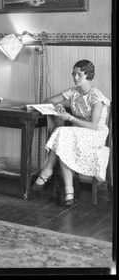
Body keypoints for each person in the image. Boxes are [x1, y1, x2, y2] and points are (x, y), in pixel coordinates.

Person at [31, 59, 110, 206]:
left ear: (89, 75)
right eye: (74, 74)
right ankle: (68, 192)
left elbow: (93, 126)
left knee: (62, 133)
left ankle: (47, 173)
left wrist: (70, 117)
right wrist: (59, 105)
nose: (75, 78)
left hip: (95, 135)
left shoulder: (96, 97)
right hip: (78, 133)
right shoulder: (73, 92)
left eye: (80, 75)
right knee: (63, 140)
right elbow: (47, 100)